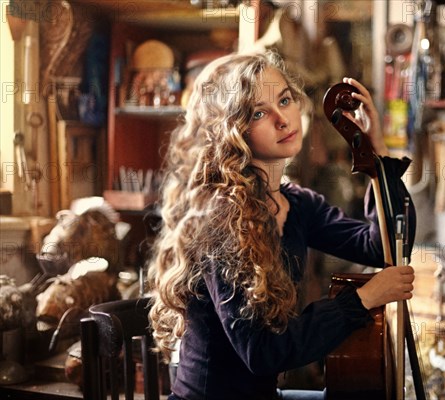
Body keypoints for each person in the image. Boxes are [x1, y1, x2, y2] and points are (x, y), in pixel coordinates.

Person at [148, 51, 415, 400]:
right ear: (234, 131)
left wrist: (376, 154)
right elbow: (263, 352)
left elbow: (382, 247)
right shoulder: (221, 219)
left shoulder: (297, 204)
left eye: (285, 100)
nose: (283, 119)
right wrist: (362, 299)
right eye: (259, 112)